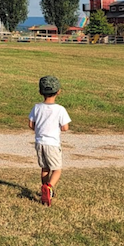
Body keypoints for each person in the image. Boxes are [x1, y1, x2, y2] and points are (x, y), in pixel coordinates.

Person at [28, 75, 71, 206]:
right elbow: (65, 127)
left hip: (39, 142)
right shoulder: (60, 109)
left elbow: (31, 124)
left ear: (40, 92)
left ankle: (45, 190)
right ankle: (49, 188)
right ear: (58, 91)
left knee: (44, 168)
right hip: (52, 144)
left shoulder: (36, 107)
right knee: (57, 170)